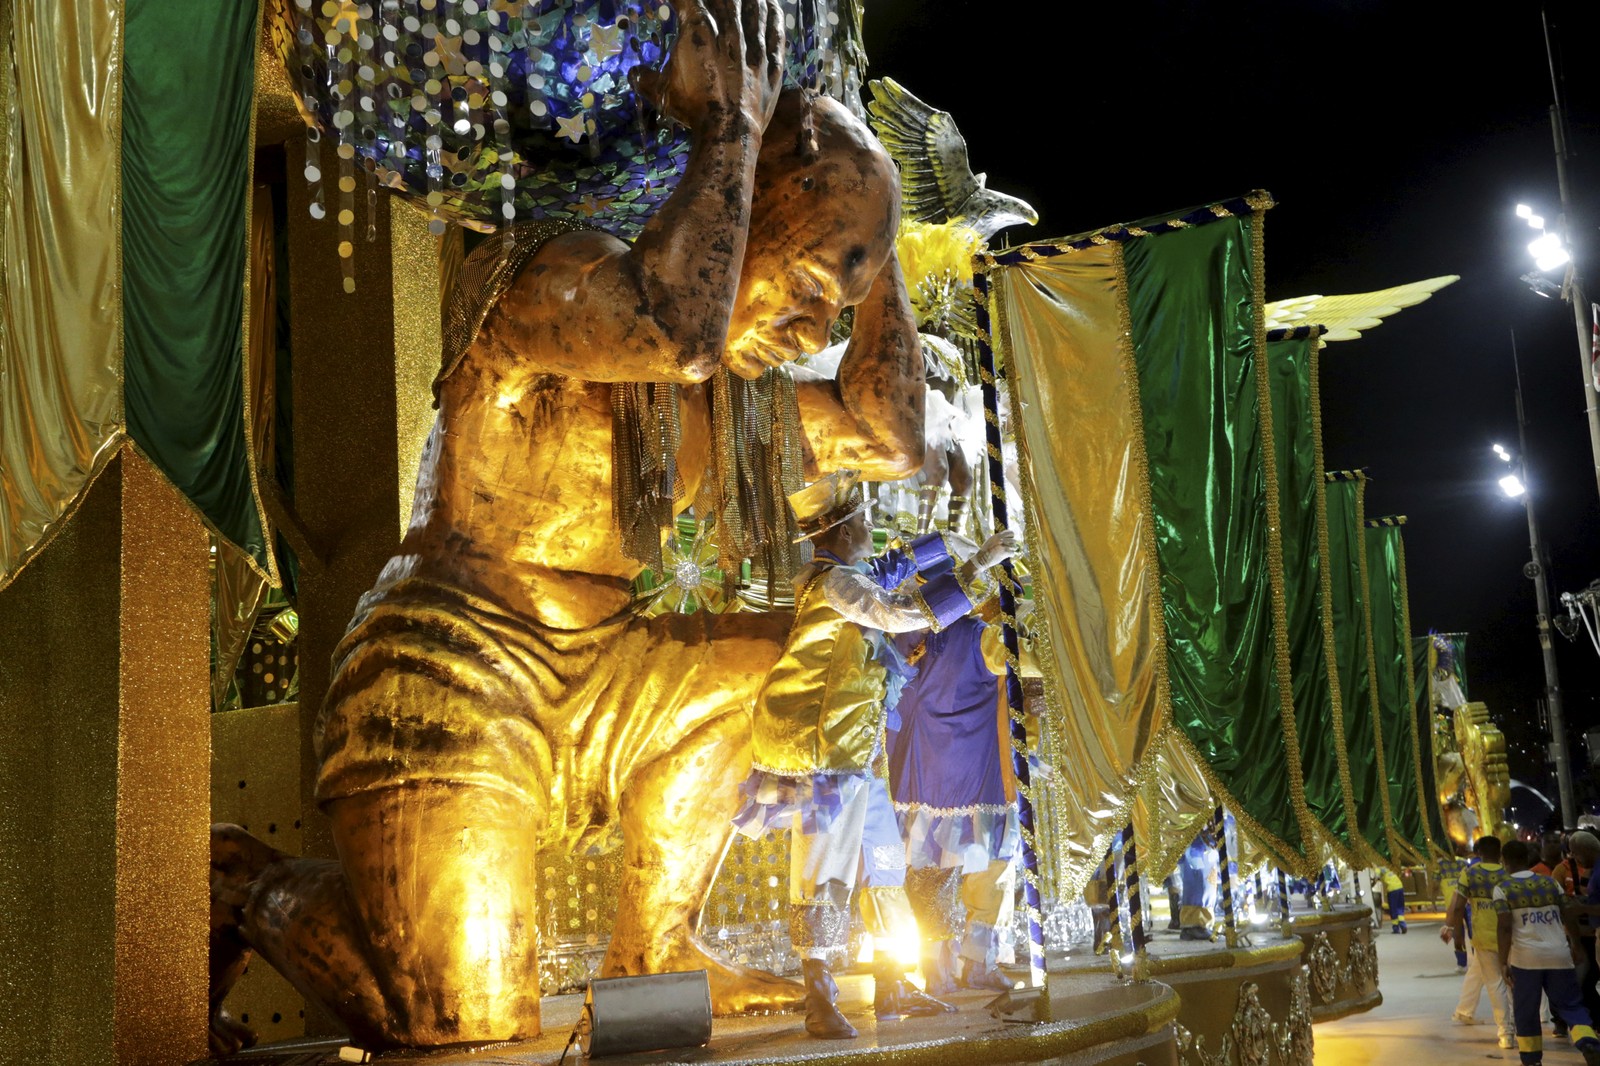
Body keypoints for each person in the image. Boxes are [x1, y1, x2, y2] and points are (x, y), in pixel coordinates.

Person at [207, 0, 935, 1050]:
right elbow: (669, 330)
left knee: (739, 649)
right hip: (456, 669)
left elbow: (887, 436)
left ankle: (656, 945)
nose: (816, 331)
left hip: (610, 676)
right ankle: (239, 881)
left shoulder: (729, 392)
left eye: (836, 308)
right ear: (732, 215)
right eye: (809, 288)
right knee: (452, 1019)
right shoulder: (544, 274)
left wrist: (877, 239)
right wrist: (730, 125)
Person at [732, 471, 1018, 1038]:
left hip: (860, 756)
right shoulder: (835, 584)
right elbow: (893, 612)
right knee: (823, 872)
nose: (871, 528)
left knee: (885, 868)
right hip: (825, 755)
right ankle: (819, 993)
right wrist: (977, 565)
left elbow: (890, 575)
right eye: (863, 521)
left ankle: (891, 983)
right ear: (841, 532)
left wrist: (942, 546)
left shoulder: (847, 575)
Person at [887, 589, 1020, 993]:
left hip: (919, 774)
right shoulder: (981, 636)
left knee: (928, 872)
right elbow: (1022, 659)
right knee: (990, 871)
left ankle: (936, 970)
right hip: (975, 778)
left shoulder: (905, 636)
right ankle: (975, 962)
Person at [1494, 840, 1600, 1066]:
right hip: (1559, 955)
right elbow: (1568, 914)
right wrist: (1576, 945)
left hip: (1526, 960)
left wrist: (1503, 961)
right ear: (1527, 858)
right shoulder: (1551, 883)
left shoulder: (1503, 888)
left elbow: (1504, 927)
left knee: (1527, 1010)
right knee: (1571, 1004)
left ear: (1505, 861)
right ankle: (1589, 1042)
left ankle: (1532, 1061)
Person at [1444, 835, 1515, 1048]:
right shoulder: (1507, 874)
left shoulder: (1470, 873)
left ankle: (1506, 1034)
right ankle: (1525, 1028)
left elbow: (1458, 907)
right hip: (1511, 937)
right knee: (1515, 984)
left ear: (1478, 853)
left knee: (1495, 985)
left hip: (1484, 939)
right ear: (1499, 853)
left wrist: (1454, 932)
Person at [1379, 867, 1408, 934]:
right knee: (1400, 906)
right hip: (1400, 887)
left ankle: (1396, 929)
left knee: (1393, 909)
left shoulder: (1379, 868)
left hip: (1392, 890)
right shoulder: (1390, 867)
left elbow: (1376, 875)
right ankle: (1403, 924)